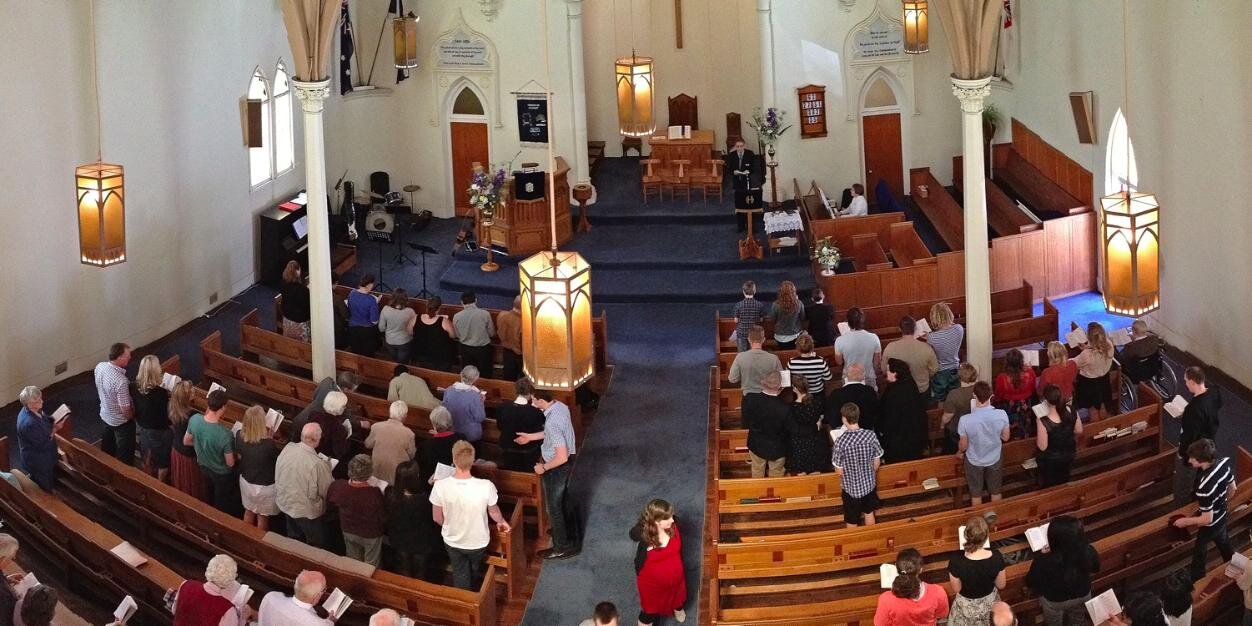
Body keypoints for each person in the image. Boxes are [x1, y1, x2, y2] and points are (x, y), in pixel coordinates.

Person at [430, 441, 511, 589]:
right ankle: (471, 590)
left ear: (454, 460)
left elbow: (437, 518)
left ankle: (466, 597)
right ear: (472, 461)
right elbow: (493, 511)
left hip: (453, 540)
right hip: (478, 541)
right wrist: (501, 521)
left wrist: (451, 525)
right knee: (474, 568)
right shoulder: (486, 486)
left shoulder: (440, 485)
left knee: (460, 571)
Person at [520, 390, 579, 559]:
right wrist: (531, 437)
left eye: (533, 400)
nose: (532, 403)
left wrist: (543, 468)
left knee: (553, 507)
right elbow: (553, 435)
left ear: (541, 400)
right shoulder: (560, 406)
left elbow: (561, 456)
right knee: (562, 499)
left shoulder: (552, 421)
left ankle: (562, 546)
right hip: (563, 463)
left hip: (556, 467)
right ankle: (565, 529)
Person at [1174, 439, 1235, 582]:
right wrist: (1222, 503)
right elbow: (1233, 488)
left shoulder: (1204, 487)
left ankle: (1198, 579)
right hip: (1222, 514)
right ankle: (1234, 565)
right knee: (1223, 541)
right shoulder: (1223, 464)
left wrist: (1185, 521)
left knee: (1199, 552)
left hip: (1210, 524)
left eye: (1193, 459)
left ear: (1202, 461)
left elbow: (1207, 519)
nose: (1190, 461)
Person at [1025, 515, 1100, 626]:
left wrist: (1043, 554)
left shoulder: (1043, 560)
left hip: (1055, 600)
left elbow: (1031, 582)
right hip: (1083, 593)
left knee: (1054, 622)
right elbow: (1096, 568)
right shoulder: (1088, 551)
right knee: (1078, 619)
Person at [275, 423, 334, 548]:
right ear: (317, 440)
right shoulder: (318, 464)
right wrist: (327, 468)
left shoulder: (288, 448)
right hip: (306, 511)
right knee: (315, 543)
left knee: (293, 538)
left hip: (286, 501)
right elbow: (327, 490)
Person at [630, 499, 688, 625]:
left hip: (676, 577)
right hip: (653, 586)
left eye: (671, 516)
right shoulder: (646, 537)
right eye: (667, 518)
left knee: (677, 599)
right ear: (656, 521)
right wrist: (644, 524)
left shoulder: (673, 525)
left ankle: (677, 608)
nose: (672, 520)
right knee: (649, 613)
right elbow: (633, 535)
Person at [185, 388, 240, 516]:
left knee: (209, 492)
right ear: (223, 407)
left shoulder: (195, 419)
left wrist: (200, 443)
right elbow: (230, 463)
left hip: (203, 466)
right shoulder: (225, 435)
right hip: (221, 474)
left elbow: (186, 441)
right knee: (222, 502)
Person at [383, 461, 439, 581]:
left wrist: (427, 485)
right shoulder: (423, 501)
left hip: (400, 540)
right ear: (415, 478)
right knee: (420, 572)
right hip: (420, 542)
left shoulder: (390, 494)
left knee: (403, 568)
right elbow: (429, 518)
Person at [327, 454, 387, 566]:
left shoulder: (339, 486)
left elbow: (331, 504)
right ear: (369, 473)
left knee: (352, 560)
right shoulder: (374, 494)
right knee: (371, 564)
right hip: (370, 533)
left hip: (348, 529)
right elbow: (382, 515)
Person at [1175, 366, 1223, 504]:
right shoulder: (1214, 392)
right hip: (1209, 440)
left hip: (1196, 448)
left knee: (1182, 484)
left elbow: (1189, 436)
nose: (1185, 384)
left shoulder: (1193, 409)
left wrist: (1183, 455)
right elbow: (1218, 404)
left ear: (1192, 382)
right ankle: (1197, 497)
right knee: (1202, 477)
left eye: (1186, 381)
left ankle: (1180, 508)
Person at [958, 382, 1011, 505]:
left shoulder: (965, 420)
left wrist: (960, 451)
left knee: (976, 494)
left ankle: (978, 522)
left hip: (974, 460)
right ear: (991, 396)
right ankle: (995, 519)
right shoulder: (1001, 414)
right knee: (996, 491)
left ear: (974, 396)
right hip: (994, 457)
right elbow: (1006, 437)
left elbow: (963, 446)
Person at [947, 516, 1007, 624]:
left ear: (966, 536)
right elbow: (1001, 585)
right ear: (986, 536)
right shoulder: (996, 557)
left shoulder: (956, 561)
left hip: (966, 607)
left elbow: (957, 589)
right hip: (990, 604)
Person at [832, 403, 883, 525]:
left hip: (851, 489)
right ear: (858, 416)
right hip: (869, 484)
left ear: (844, 419)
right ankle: (871, 538)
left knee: (851, 519)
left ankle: (854, 542)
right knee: (869, 512)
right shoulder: (870, 435)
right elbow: (877, 462)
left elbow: (839, 471)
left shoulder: (840, 442)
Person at [873, 548, 950, 625]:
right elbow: (942, 618)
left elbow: (880, 624)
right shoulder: (938, 592)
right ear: (921, 569)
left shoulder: (886, 599)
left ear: (896, 567)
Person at [235, 405, 281, 532]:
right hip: (264, 487)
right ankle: (258, 542)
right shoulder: (269, 445)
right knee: (262, 518)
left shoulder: (239, 435)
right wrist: (270, 439)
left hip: (247, 481)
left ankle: (245, 536)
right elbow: (276, 461)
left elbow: (240, 455)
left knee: (248, 512)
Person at [741, 371, 792, 478]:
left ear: (763, 383)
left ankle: (758, 491)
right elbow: (789, 430)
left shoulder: (749, 399)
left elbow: (745, 423)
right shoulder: (785, 408)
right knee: (776, 473)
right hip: (777, 448)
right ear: (780, 387)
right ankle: (774, 493)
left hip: (756, 444)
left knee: (757, 470)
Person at [171, 554, 244, 626]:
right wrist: (243, 620)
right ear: (231, 579)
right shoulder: (228, 610)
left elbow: (174, 611)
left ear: (210, 568)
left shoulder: (186, 584)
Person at [131, 355, 172, 482]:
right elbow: (165, 415)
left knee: (146, 456)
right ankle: (160, 485)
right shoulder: (160, 393)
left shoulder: (133, 386)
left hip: (143, 426)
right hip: (160, 429)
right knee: (163, 461)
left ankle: (147, 481)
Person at [877, 359, 928, 463]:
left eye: (888, 370)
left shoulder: (893, 393)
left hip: (898, 440)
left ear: (895, 373)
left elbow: (887, 416)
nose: (886, 373)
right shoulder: (910, 384)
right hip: (915, 437)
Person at [95, 342, 135, 465]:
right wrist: (132, 417)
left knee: (107, 448)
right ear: (119, 357)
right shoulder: (121, 381)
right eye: (127, 355)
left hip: (105, 415)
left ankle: (106, 470)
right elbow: (125, 409)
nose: (130, 358)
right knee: (125, 454)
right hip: (120, 422)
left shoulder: (100, 366)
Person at [15, 386, 62, 491]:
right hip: (39, 461)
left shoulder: (32, 409)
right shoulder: (29, 423)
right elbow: (43, 445)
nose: (42, 401)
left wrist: (54, 420)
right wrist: (55, 429)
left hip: (45, 456)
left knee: (46, 478)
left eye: (41, 398)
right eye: (38, 401)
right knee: (45, 487)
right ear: (29, 404)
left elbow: (44, 419)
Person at [168, 381, 206, 501]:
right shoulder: (193, 415)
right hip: (189, 454)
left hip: (176, 449)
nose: (193, 391)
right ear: (187, 397)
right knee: (192, 481)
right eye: (191, 390)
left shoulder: (172, 407)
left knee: (181, 479)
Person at [1036, 384, 1081, 487]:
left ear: (1045, 402)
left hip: (1052, 460)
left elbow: (1042, 447)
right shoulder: (1071, 409)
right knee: (1064, 478)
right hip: (1069, 454)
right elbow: (1079, 430)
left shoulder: (1043, 420)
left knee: (1050, 483)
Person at [497, 378, 546, 471]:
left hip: (507, 447)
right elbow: (540, 432)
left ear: (516, 391)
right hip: (528, 451)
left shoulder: (503, 406)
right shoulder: (535, 412)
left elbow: (500, 426)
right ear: (532, 394)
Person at [881, 317, 938, 395]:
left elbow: (884, 370)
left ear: (900, 329)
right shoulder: (926, 347)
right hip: (921, 389)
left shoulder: (890, 347)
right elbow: (934, 369)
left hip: (899, 390)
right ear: (915, 329)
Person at [292, 371, 361, 437]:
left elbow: (315, 395)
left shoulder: (327, 381)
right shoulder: (340, 401)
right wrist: (361, 424)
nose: (353, 392)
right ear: (346, 389)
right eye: (353, 390)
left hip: (301, 418)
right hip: (309, 428)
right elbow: (347, 418)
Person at [786, 376, 830, 475]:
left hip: (799, 443)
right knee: (816, 471)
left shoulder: (792, 407)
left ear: (795, 389)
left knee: (801, 473)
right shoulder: (817, 402)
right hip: (815, 439)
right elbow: (821, 417)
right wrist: (818, 423)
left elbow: (792, 427)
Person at [364, 400, 416, 484]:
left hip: (376, 471)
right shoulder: (409, 434)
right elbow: (411, 455)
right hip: (395, 476)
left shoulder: (376, 426)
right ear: (405, 416)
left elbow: (367, 444)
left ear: (390, 412)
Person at [257, 569, 333, 625]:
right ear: (316, 596)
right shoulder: (318, 624)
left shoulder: (271, 597)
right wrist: (330, 621)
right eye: (324, 589)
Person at [1073, 322, 1115, 421]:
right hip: (1104, 381)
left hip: (1089, 384)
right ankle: (1105, 429)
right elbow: (1098, 349)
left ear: (1089, 337)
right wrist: (1087, 347)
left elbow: (1075, 363)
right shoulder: (1109, 345)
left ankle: (1096, 432)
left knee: (1092, 409)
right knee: (1102, 405)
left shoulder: (1087, 355)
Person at [417, 407, 468, 484]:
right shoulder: (461, 439)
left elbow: (423, 475)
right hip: (459, 482)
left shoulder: (425, 446)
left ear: (434, 425)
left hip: (435, 486)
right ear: (450, 422)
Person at [834, 308, 882, 389]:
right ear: (862, 322)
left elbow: (839, 362)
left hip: (848, 378)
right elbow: (877, 362)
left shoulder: (840, 340)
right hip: (868, 376)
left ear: (848, 323)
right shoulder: (874, 338)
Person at [824, 363, 880, 432]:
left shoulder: (836, 393)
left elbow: (830, 417)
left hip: (842, 433)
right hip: (867, 432)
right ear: (863, 376)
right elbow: (876, 413)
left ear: (846, 376)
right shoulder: (870, 391)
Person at [995, 348, 1038, 438]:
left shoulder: (1002, 377)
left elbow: (998, 396)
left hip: (1009, 406)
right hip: (1025, 404)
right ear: (1021, 361)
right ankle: (1026, 437)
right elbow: (1033, 389)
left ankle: (1009, 438)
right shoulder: (1030, 373)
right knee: (1025, 424)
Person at [927, 302, 965, 401]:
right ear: (949, 314)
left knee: (940, 400)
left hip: (940, 372)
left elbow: (933, 352)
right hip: (955, 369)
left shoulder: (931, 337)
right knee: (955, 399)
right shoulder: (959, 329)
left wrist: (926, 337)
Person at [727, 325, 782, 395]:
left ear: (749, 339)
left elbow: (732, 379)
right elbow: (781, 379)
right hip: (768, 396)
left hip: (748, 396)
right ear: (763, 339)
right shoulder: (773, 358)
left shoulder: (740, 357)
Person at [452, 291, 495, 378]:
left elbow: (457, 334)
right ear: (476, 300)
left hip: (465, 349)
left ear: (461, 302)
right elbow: (492, 333)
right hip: (482, 349)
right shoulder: (485, 314)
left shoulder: (457, 316)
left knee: (468, 375)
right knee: (485, 374)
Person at [940, 363, 980, 454]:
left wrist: (942, 425)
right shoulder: (981, 389)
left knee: (951, 454)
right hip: (975, 429)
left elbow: (947, 416)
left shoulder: (954, 394)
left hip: (956, 431)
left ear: (960, 376)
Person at [306, 391, 351, 470]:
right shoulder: (338, 429)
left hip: (309, 452)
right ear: (339, 409)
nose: (345, 408)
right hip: (324, 460)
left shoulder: (313, 415)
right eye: (344, 406)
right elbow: (339, 452)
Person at [443, 366, 487, 444]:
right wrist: (481, 402)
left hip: (452, 432)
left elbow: (444, 410)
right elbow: (480, 417)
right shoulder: (474, 396)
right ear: (476, 378)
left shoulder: (449, 390)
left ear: (461, 374)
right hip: (470, 435)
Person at [413, 296, 458, 371]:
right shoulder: (444, 321)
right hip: (440, 357)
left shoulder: (416, 318)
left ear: (426, 306)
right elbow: (453, 335)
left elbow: (409, 332)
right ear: (439, 308)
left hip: (422, 354)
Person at [377, 287, 416, 364]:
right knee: (402, 362)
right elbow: (414, 328)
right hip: (404, 341)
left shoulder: (385, 309)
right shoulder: (410, 312)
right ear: (405, 298)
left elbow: (381, 328)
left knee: (396, 359)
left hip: (390, 340)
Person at [346, 274, 381, 356]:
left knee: (356, 352)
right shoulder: (371, 300)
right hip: (366, 331)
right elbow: (374, 321)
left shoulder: (352, 293)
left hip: (353, 329)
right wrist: (376, 304)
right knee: (367, 354)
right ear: (369, 285)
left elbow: (350, 307)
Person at [280, 260, 312, 342]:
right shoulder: (301, 289)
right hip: (300, 321)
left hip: (287, 318)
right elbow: (307, 305)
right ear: (297, 271)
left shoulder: (283, 284)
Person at [1037, 341, 1077, 405]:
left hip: (1053, 401)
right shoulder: (1073, 364)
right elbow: (1074, 379)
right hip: (1068, 397)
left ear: (1050, 356)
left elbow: (1040, 391)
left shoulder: (1047, 372)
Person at [770, 281, 805, 349]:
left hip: (780, 336)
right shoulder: (799, 303)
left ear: (781, 291)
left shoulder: (775, 304)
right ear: (793, 291)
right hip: (795, 335)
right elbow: (803, 318)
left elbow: (773, 319)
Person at [496, 296, 524, 381]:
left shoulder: (502, 316)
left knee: (508, 378)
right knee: (524, 380)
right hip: (522, 354)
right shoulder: (524, 321)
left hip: (507, 352)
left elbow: (499, 334)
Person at [732, 281, 765, 352]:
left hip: (742, 333)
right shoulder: (760, 305)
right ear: (755, 291)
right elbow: (761, 319)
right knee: (754, 355)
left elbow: (736, 320)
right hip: (754, 334)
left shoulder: (738, 305)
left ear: (743, 292)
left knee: (742, 354)